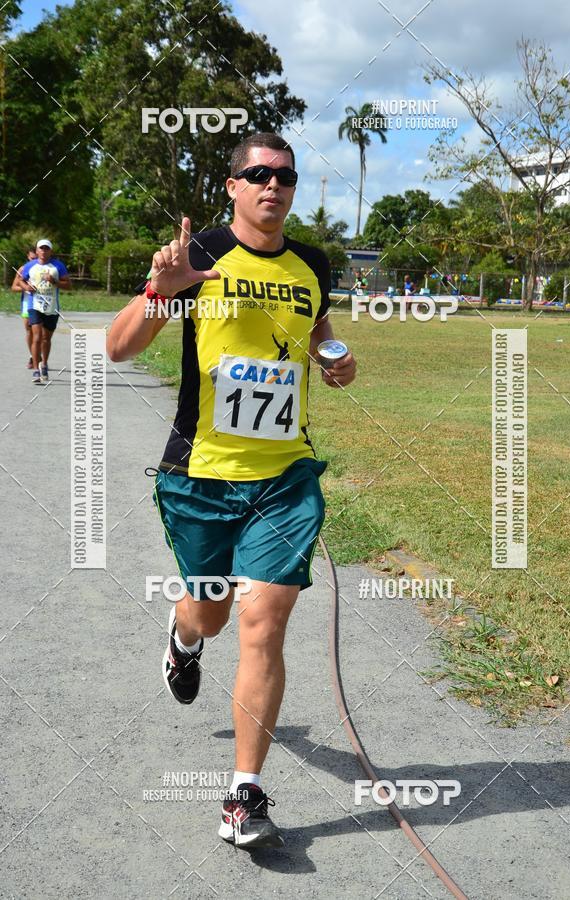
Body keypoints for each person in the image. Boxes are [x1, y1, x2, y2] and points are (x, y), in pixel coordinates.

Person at [107, 132, 356, 849]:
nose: (272, 185)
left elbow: (319, 335)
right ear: (232, 185)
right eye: (258, 174)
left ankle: (243, 794)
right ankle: (185, 640)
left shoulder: (311, 264)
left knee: (265, 621)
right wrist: (165, 290)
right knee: (212, 613)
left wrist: (335, 359)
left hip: (285, 477)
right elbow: (118, 347)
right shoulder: (203, 253)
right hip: (200, 476)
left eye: (285, 175)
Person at [17, 239, 70, 383]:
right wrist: (26, 287)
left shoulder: (58, 266)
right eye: (41, 248)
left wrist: (54, 281)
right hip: (34, 306)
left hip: (52, 307)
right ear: (37, 250)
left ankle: (44, 364)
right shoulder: (30, 266)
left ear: (50, 251)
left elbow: (68, 285)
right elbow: (20, 281)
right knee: (37, 337)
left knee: (46, 339)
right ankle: (36, 370)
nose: (44, 251)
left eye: (47, 249)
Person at [11, 246, 37, 368]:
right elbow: (14, 287)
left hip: (42, 304)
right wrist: (26, 287)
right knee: (29, 331)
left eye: (36, 258)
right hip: (27, 303)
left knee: (39, 333)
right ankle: (32, 356)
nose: (34, 261)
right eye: (32, 258)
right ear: (27, 257)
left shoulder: (44, 268)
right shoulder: (23, 269)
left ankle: (39, 356)